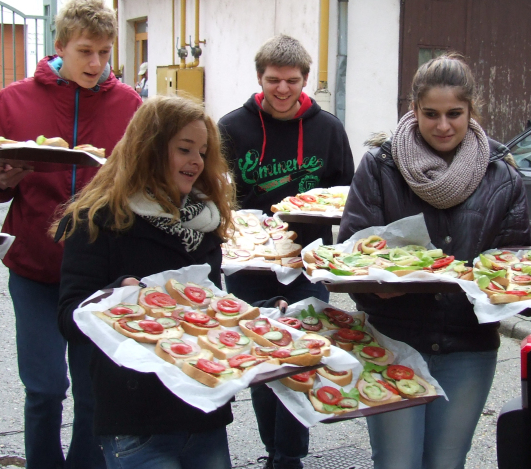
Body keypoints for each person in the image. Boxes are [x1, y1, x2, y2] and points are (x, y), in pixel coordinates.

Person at [53, 95, 279, 468]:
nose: (196, 162)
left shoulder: (204, 221)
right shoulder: (98, 219)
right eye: (184, 149)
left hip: (201, 408)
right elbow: (68, 318)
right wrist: (116, 297)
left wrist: (265, 316)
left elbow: (207, 307)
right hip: (136, 417)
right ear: (150, 150)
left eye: (203, 152)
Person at [337, 53, 531, 469]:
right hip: (392, 340)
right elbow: (350, 253)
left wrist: (503, 290)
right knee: (396, 462)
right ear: (414, 110)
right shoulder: (380, 166)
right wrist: (379, 285)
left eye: (454, 114)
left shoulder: (502, 174)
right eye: (431, 114)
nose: (443, 126)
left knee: (446, 462)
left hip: (468, 345)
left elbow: (515, 264)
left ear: (472, 110)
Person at [0, 0, 141, 467]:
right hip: (34, 267)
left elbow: (141, 184)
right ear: (59, 47)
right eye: (85, 51)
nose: (96, 64)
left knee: (93, 394)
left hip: (98, 271)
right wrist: (3, 179)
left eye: (105, 53)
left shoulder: (129, 104)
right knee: (45, 389)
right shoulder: (15, 99)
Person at [217, 34, 354, 469]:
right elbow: (218, 195)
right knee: (264, 358)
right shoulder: (231, 128)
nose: (282, 90)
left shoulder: (328, 129)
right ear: (260, 78)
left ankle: (289, 455)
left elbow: (346, 196)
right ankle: (275, 448)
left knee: (303, 355)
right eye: (274, 80)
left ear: (305, 80)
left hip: (307, 262)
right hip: (247, 263)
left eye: (291, 81)